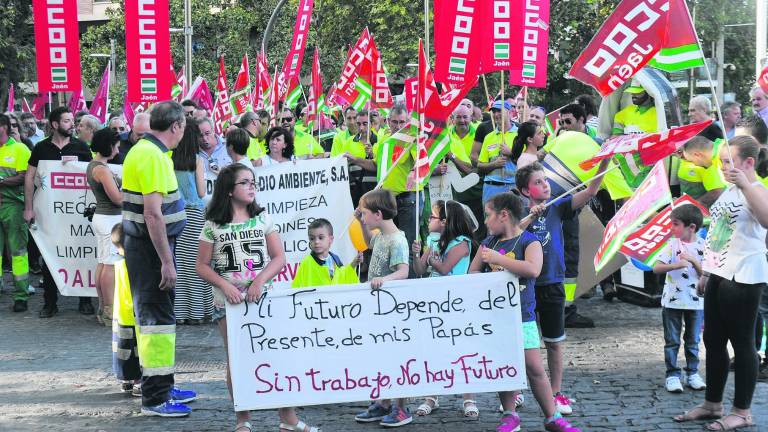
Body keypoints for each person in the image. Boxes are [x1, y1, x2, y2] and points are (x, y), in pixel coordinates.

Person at [195, 164, 311, 432]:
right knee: (236, 359)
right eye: (245, 182)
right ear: (229, 189)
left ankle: (288, 418)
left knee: (276, 355)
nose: (251, 187)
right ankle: (243, 419)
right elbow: (201, 265)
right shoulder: (213, 224)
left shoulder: (263, 218)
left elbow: (279, 257)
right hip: (228, 304)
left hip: (265, 299)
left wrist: (259, 281)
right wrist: (225, 286)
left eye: (253, 182)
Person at [674, 136, 766, 430]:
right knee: (712, 340)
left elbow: (766, 220)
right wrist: (706, 272)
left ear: (748, 163)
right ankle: (712, 403)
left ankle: (742, 411)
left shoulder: (757, 189)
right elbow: (716, 234)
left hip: (744, 275)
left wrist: (745, 185)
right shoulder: (728, 190)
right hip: (719, 273)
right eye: (721, 161)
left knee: (743, 343)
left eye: (729, 161)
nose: (723, 167)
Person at [468, 192, 580, 432]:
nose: (485, 221)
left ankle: (552, 417)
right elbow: (472, 273)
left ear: (504, 215)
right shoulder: (488, 244)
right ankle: (509, 415)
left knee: (535, 369)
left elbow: (532, 269)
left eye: (488, 216)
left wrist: (499, 260)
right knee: (505, 367)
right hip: (497, 318)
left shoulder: (530, 241)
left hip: (523, 317)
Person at [121, 101, 196, 417]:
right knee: (156, 323)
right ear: (176, 126)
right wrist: (167, 261)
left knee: (158, 320)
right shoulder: (152, 156)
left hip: (149, 248)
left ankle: (162, 384)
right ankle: (155, 398)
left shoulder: (147, 151)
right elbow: (153, 215)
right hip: (152, 251)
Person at [517, 160, 609, 416]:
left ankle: (556, 393)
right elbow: (508, 235)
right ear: (526, 191)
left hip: (553, 283)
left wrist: (606, 161)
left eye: (545, 180)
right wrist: (528, 218)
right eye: (538, 182)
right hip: (524, 286)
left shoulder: (557, 207)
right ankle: (515, 390)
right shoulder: (516, 212)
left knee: (554, 342)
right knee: (520, 342)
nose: (545, 185)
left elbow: (590, 192)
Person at [24, 107, 95, 318]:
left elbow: (93, 174)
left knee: (81, 254)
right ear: (55, 125)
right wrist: (28, 208)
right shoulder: (41, 148)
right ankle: (50, 303)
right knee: (50, 255)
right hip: (51, 214)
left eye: (72, 120)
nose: (71, 124)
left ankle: (85, 300)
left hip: (77, 214)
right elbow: (29, 177)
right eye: (66, 121)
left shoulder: (81, 147)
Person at [411, 200, 476, 418]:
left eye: (433, 216)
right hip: (434, 299)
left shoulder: (461, 243)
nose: (429, 219)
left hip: (455, 301)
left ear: (445, 222)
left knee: (461, 348)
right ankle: (432, 395)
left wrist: (433, 258)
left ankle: (468, 398)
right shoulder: (432, 239)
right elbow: (420, 269)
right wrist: (417, 254)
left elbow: (445, 269)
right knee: (433, 347)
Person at [353, 189, 412, 427]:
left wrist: (383, 281)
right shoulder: (380, 235)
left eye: (365, 213)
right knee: (381, 356)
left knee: (396, 357)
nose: (362, 216)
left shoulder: (398, 239)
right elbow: (368, 242)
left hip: (392, 309)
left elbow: (403, 271)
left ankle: (401, 407)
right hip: (379, 307)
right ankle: (384, 402)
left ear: (378, 214)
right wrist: (360, 223)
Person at [651, 205, 706, 393]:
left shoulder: (703, 246)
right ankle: (672, 375)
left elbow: (706, 275)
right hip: (672, 301)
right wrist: (675, 265)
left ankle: (692, 373)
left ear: (691, 227)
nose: (671, 228)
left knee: (693, 339)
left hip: (696, 302)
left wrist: (693, 260)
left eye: (675, 224)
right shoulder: (672, 245)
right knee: (672, 340)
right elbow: (656, 268)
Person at [171, 119, 212, 325]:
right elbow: (202, 192)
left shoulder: (169, 159)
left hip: (175, 214)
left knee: (181, 264)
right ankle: (198, 312)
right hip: (195, 215)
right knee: (198, 264)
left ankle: (180, 312)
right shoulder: (197, 160)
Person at [87, 128, 123, 324]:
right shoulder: (101, 169)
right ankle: (109, 310)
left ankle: (103, 308)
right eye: (116, 147)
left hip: (104, 218)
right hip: (109, 219)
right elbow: (117, 199)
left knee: (103, 263)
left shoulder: (95, 166)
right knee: (109, 264)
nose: (117, 151)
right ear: (108, 146)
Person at [0, 114, 31, 312]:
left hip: (13, 206)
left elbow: (24, 178)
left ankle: (21, 294)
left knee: (18, 252)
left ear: (3, 127)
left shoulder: (20, 148)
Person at [110, 222, 142, 396]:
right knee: (135, 351)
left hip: (119, 315)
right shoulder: (132, 264)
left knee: (122, 350)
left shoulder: (117, 263)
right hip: (132, 314)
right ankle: (138, 381)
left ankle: (125, 380)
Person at [292, 218, 360, 287]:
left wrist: (353, 264)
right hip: (316, 298)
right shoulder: (306, 263)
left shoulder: (335, 259)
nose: (316, 242)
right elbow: (297, 288)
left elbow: (343, 278)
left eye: (321, 238)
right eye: (312, 238)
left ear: (330, 239)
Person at [478, 100, 518, 202]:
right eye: (494, 111)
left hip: (513, 188)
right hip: (491, 188)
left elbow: (529, 163)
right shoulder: (489, 137)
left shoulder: (520, 134)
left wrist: (511, 153)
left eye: (499, 111)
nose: (496, 114)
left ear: (510, 113)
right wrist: (494, 164)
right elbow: (480, 166)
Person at [679, 136, 726, 208]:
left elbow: (718, 191)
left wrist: (694, 205)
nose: (695, 164)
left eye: (691, 161)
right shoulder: (719, 146)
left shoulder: (723, 156)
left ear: (697, 155)